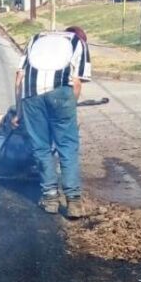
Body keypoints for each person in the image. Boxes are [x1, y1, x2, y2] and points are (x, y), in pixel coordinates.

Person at [12, 26, 91, 218]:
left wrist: (19, 113)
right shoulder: (77, 42)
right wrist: (70, 109)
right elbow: (77, 82)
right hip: (61, 93)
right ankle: (74, 202)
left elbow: (19, 77)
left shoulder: (36, 38)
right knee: (67, 146)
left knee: (41, 147)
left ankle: (50, 199)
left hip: (31, 94)